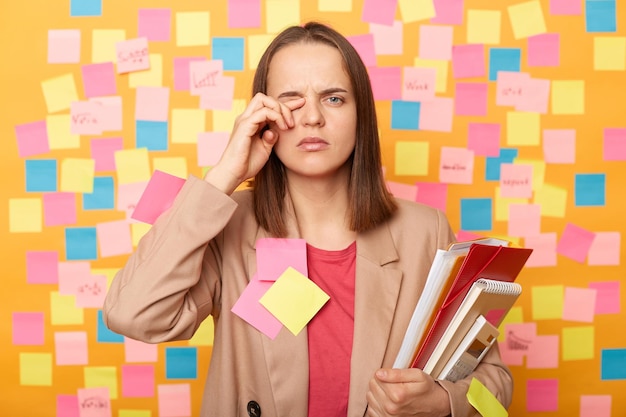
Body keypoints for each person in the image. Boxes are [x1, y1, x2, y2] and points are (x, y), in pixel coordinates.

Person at [103, 21, 513, 417]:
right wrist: (223, 176)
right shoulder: (226, 223)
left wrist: (443, 401)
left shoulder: (426, 231)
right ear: (263, 116)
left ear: (360, 115)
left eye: (334, 98)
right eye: (291, 101)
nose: (312, 117)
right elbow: (132, 314)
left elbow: (495, 382)